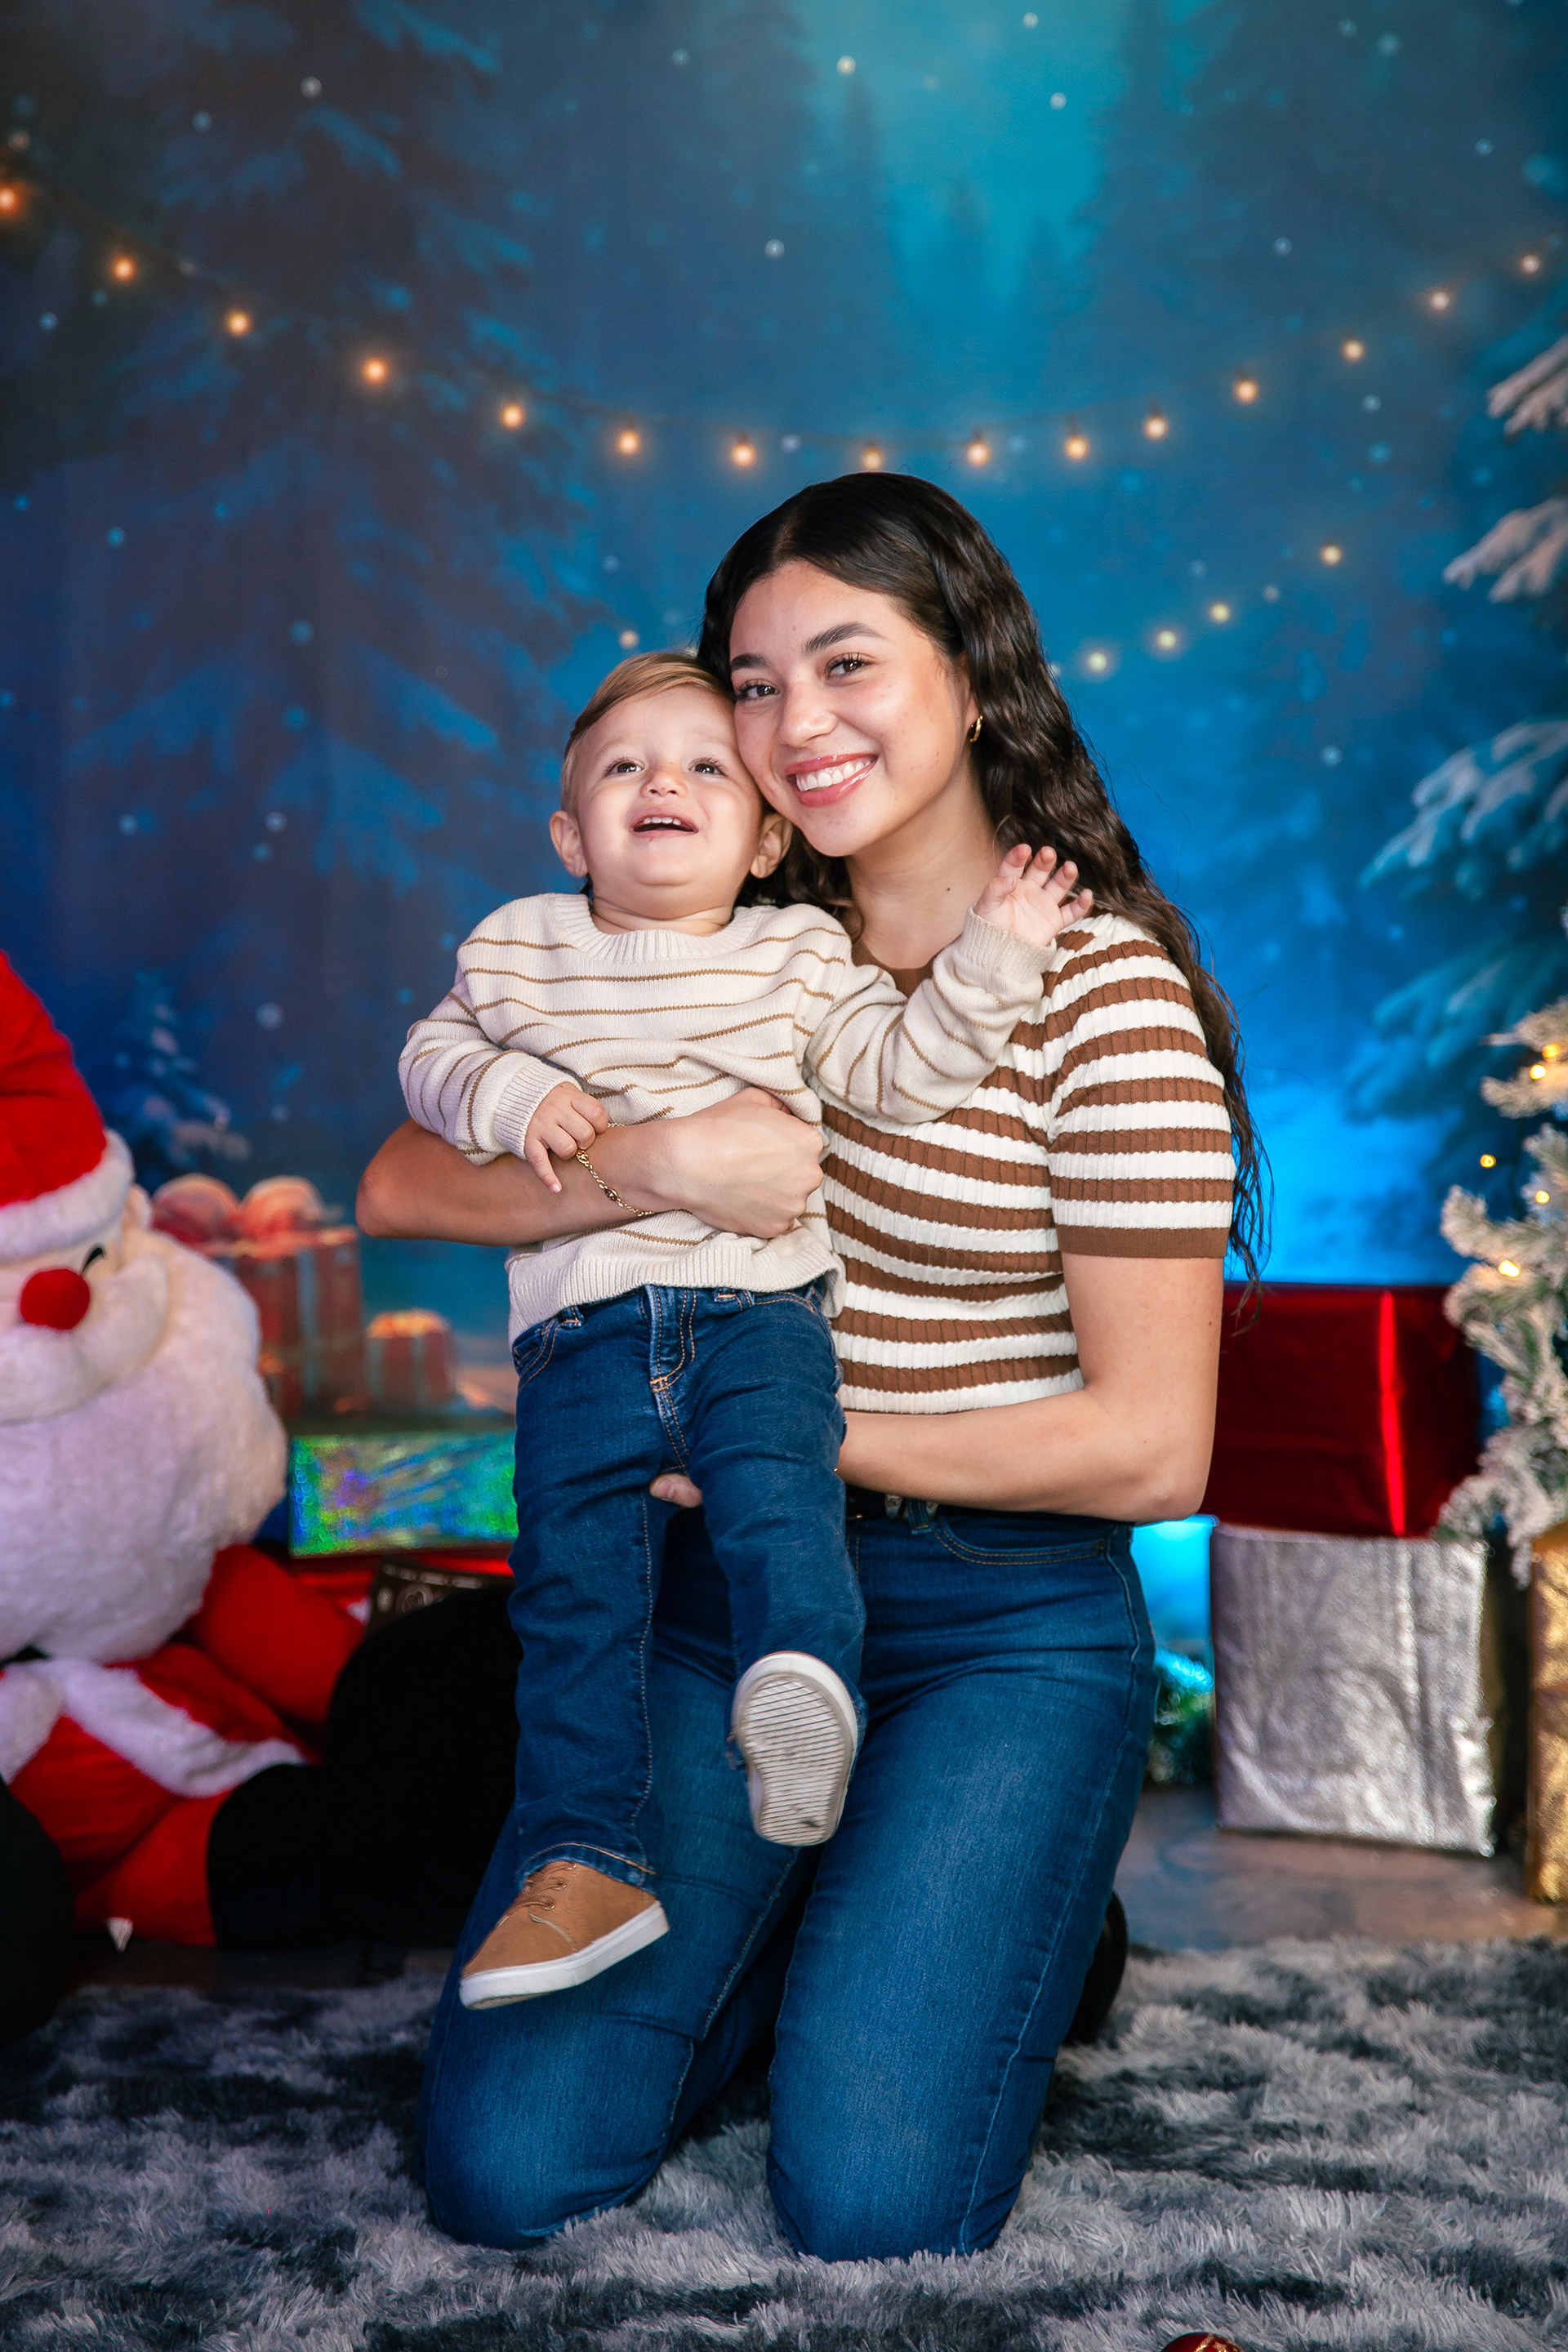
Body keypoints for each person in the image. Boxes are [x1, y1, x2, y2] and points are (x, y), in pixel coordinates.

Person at [357, 473, 1263, 2261]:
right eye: (755, 685)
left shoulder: (1103, 994)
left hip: (998, 1621)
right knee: (507, 2171)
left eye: (848, 663)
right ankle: (822, 1906)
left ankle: (971, 1899)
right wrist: (660, 1163)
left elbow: (1153, 1452)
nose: (795, 726)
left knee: (871, 2198)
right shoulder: (729, 936)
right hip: (731, 1601)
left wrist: (798, 1444)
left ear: (972, 677)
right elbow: (400, 1180)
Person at [397, 649, 1092, 2006]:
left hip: (756, 1313)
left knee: (780, 1501)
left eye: (708, 767)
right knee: (571, 1596)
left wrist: (999, 953)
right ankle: (584, 1861)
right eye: (624, 768)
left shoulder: (798, 954)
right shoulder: (516, 947)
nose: (663, 781)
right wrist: (504, 1097)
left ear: (767, 841)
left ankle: (803, 1689)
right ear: (570, 833)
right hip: (579, 1339)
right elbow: (430, 1060)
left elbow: (900, 1071)